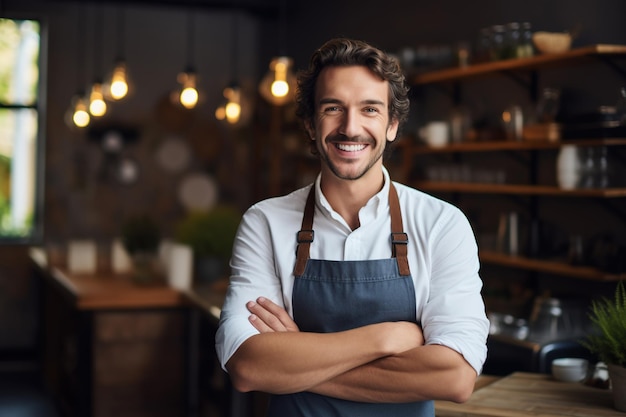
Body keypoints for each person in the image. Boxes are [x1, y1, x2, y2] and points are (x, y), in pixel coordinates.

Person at [215, 37, 489, 416]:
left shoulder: (441, 224)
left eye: (370, 109)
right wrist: (387, 337)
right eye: (333, 108)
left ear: (392, 124)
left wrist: (295, 360)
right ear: (310, 124)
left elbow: (454, 378)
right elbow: (248, 366)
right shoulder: (265, 222)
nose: (350, 127)